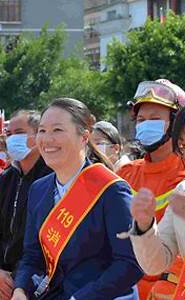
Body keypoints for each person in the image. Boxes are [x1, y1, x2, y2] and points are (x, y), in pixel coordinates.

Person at [12, 98, 143, 300]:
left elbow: (130, 263)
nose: (47, 140)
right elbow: (32, 255)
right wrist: (20, 289)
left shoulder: (111, 189)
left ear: (83, 137)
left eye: (57, 130)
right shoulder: (39, 189)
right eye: (42, 131)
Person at [117, 79, 185, 299]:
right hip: (125, 285)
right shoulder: (125, 173)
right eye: (141, 119)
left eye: (154, 119)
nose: (145, 125)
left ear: (176, 123)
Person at [0, 110, 52, 300]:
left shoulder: (52, 176)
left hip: (39, 280)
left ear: (38, 135)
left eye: (19, 132)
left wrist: (23, 281)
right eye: (8, 134)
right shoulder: (5, 178)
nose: (12, 139)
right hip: (3, 279)